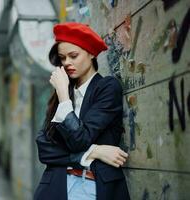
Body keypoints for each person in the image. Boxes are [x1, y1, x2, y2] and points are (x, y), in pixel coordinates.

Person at [34, 22, 130, 200]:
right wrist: (95, 152)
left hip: (94, 187)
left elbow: (81, 138)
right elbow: (44, 148)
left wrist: (64, 98)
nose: (67, 63)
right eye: (63, 58)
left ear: (91, 53)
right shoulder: (63, 91)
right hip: (58, 186)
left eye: (73, 55)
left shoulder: (107, 87)